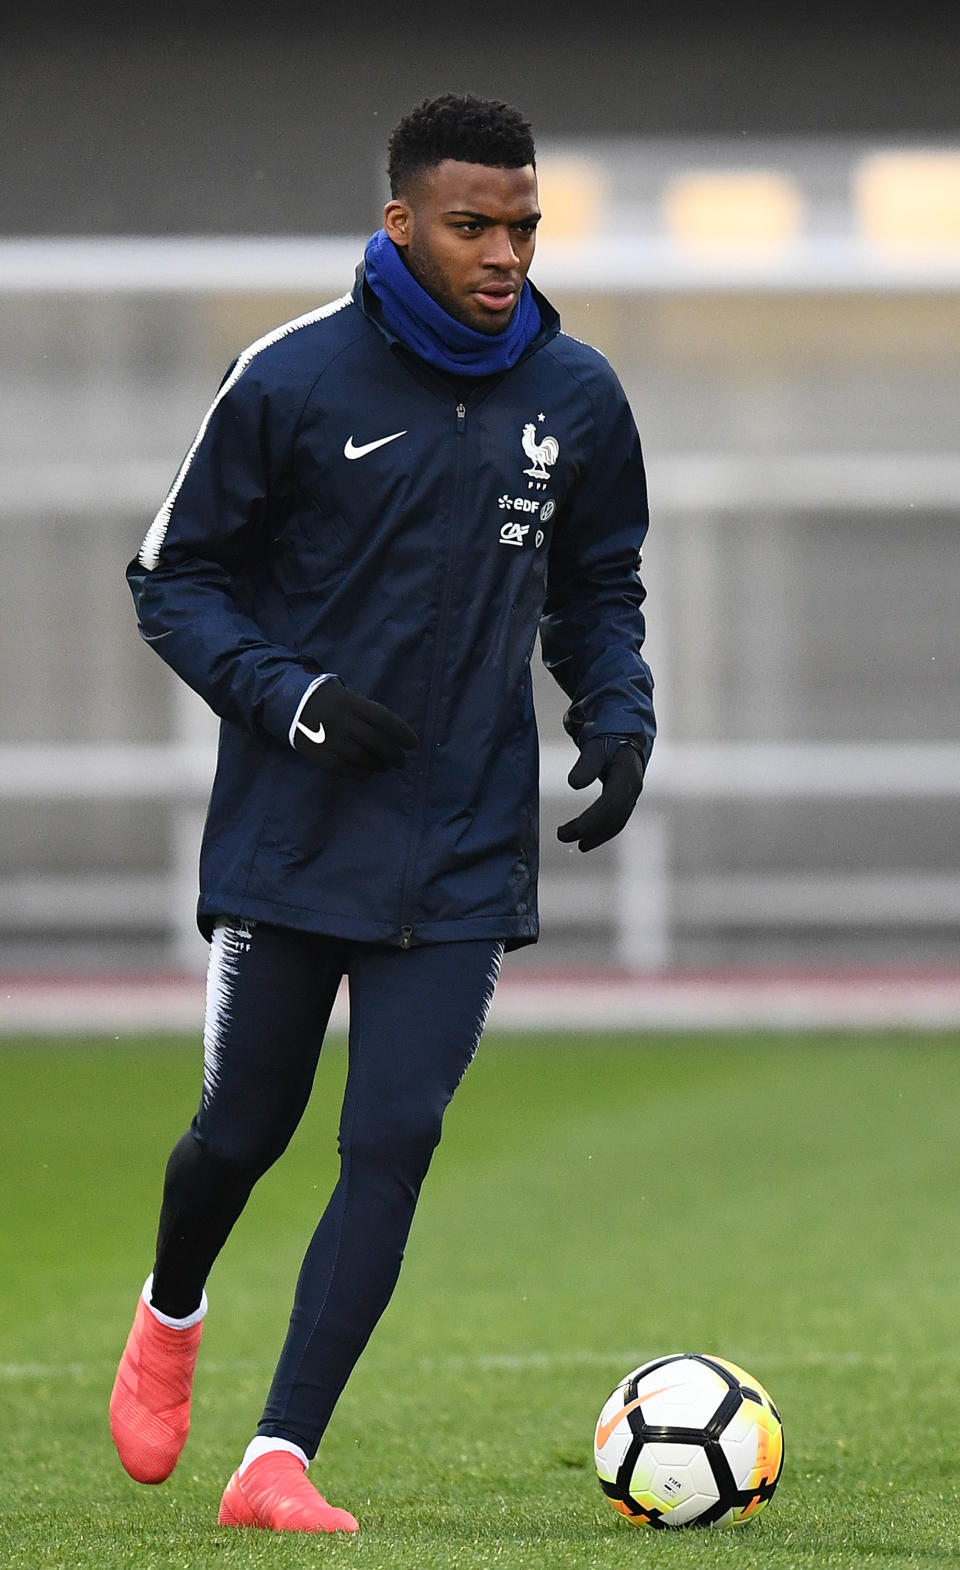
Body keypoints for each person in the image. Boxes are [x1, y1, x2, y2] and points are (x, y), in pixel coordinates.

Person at [111, 91, 655, 1534]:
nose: (505, 252)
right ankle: (170, 1311)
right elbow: (172, 576)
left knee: (394, 1137)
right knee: (242, 1130)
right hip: (294, 835)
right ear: (402, 219)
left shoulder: (579, 395)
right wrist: (290, 697)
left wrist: (619, 709)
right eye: (474, 224)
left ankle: (276, 1455)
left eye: (525, 225)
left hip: (466, 845)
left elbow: (598, 590)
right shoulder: (292, 376)